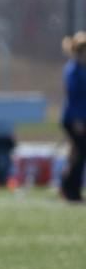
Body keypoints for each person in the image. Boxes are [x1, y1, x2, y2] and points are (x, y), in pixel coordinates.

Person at [59, 31, 86, 203]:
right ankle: (71, 191)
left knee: (77, 153)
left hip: (82, 118)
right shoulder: (73, 69)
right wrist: (78, 120)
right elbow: (73, 96)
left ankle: (69, 190)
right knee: (79, 153)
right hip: (74, 119)